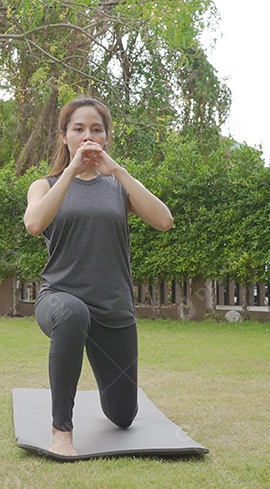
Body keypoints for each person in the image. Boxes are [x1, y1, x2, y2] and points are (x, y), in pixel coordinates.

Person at [23, 96, 174, 458]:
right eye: (78, 129)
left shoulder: (118, 186)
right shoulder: (44, 185)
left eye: (96, 129)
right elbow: (34, 223)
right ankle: (62, 431)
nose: (87, 136)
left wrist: (118, 171)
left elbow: (164, 220)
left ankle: (112, 398)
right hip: (60, 299)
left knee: (123, 416)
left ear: (106, 137)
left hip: (113, 307)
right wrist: (71, 172)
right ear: (64, 136)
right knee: (73, 314)